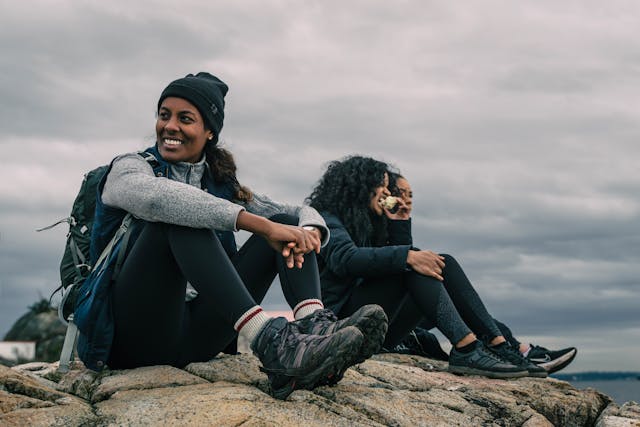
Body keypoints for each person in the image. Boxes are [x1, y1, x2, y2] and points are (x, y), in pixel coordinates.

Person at [78, 73, 388, 400]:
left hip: (196, 337)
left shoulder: (223, 184)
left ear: (209, 132)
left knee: (284, 221)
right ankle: (268, 341)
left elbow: (298, 212)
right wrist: (259, 226)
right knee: (179, 218)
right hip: (131, 337)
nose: (169, 126)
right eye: (164, 115)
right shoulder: (129, 168)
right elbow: (158, 199)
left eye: (185, 119)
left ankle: (314, 331)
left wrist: (308, 231)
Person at [308, 155, 548, 379]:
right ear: (360, 186)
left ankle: (500, 346)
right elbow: (346, 259)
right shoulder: (326, 218)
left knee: (443, 263)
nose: (386, 192)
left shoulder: (368, 223)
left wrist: (399, 225)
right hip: (342, 325)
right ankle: (467, 348)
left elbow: (393, 265)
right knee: (413, 264)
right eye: (381, 185)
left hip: (379, 324)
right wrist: (408, 256)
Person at [386, 173, 577, 374]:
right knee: (442, 268)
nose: (406, 199)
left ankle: (516, 350)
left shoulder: (393, 223)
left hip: (401, 312)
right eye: (400, 193)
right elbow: (398, 270)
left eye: (410, 195)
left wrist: (400, 222)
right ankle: (509, 350)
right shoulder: (366, 226)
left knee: (460, 301)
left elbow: (403, 259)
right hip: (386, 316)